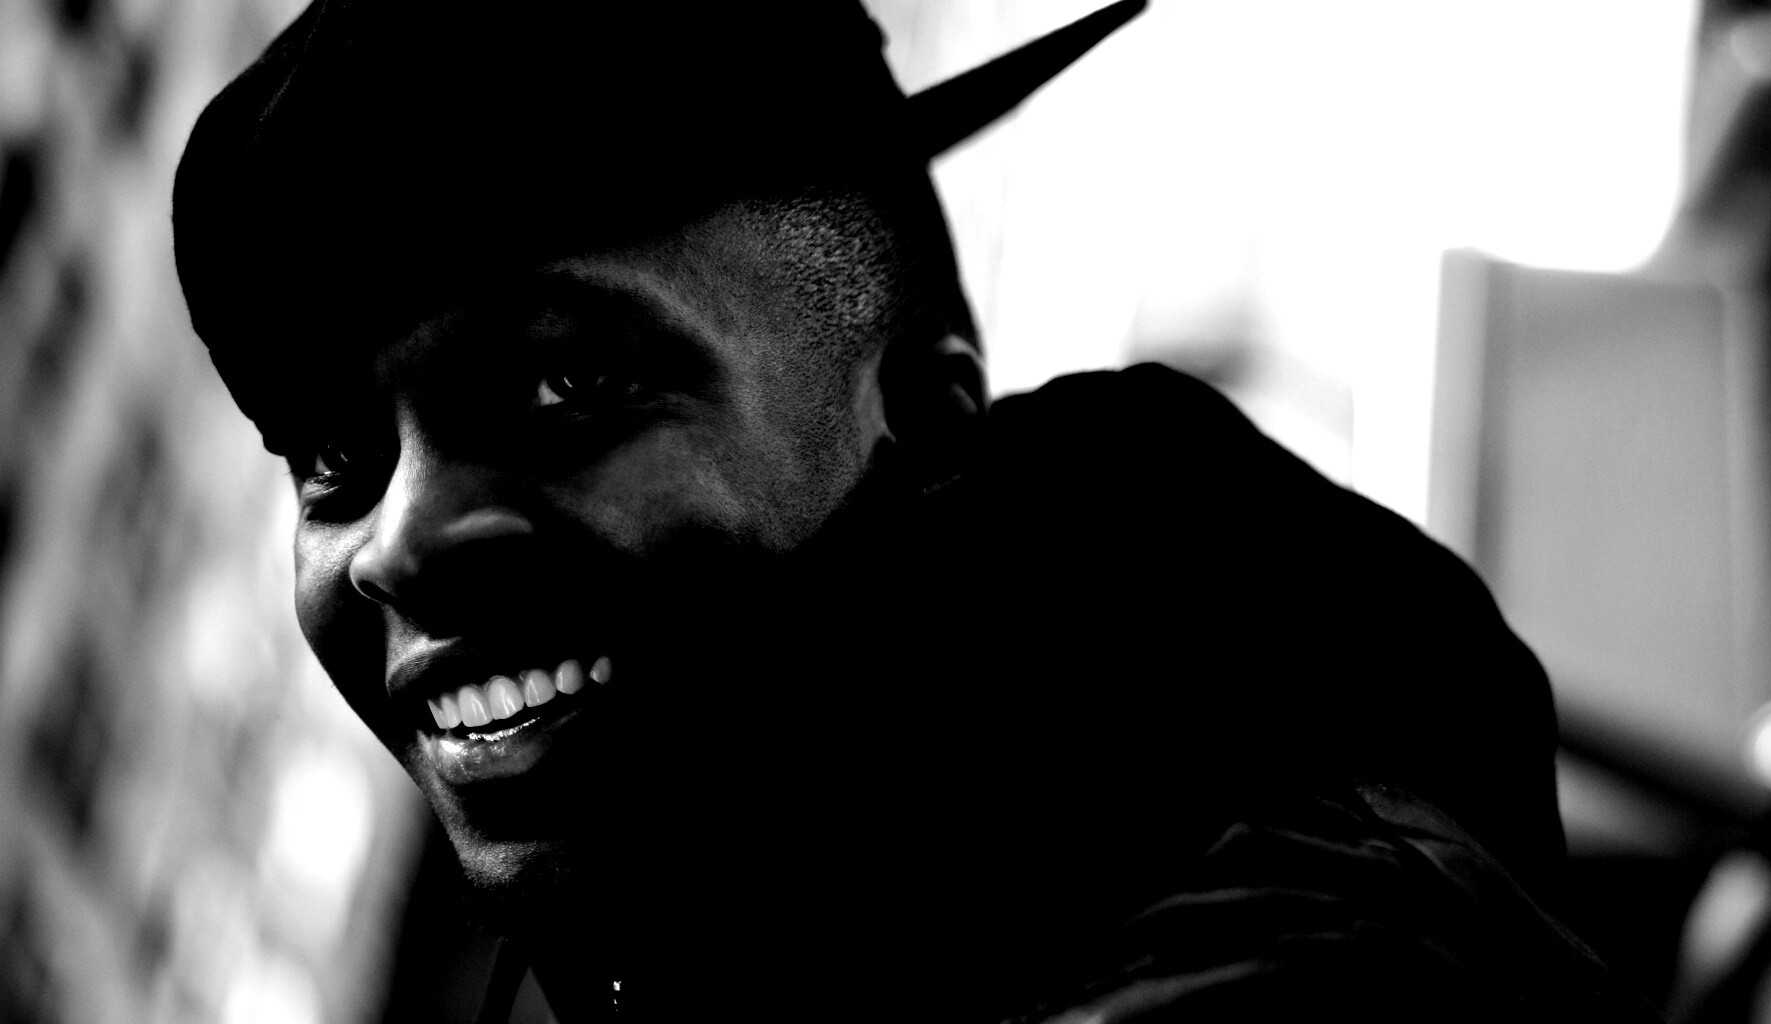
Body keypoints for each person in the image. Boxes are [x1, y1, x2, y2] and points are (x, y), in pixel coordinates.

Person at [172, 1, 1659, 1019]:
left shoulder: (1287, 936)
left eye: (568, 387)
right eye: (332, 464)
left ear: (930, 414)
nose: (398, 545)